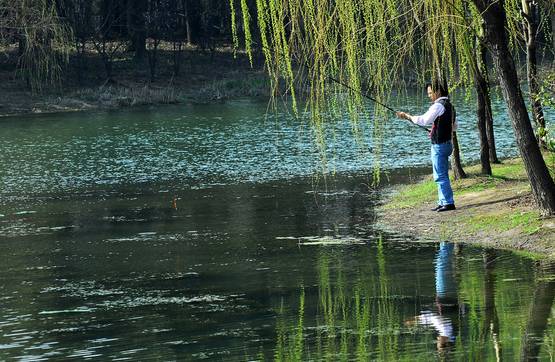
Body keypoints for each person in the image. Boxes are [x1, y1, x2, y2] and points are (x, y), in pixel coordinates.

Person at [396, 81, 457, 212]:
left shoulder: (438, 106)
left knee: (440, 175)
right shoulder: (450, 106)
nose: (429, 96)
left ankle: (448, 202)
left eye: (430, 93)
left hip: (439, 146)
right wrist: (435, 130)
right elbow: (454, 127)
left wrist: (407, 116)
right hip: (447, 144)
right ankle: (442, 202)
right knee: (442, 174)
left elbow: (423, 120)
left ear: (438, 92)